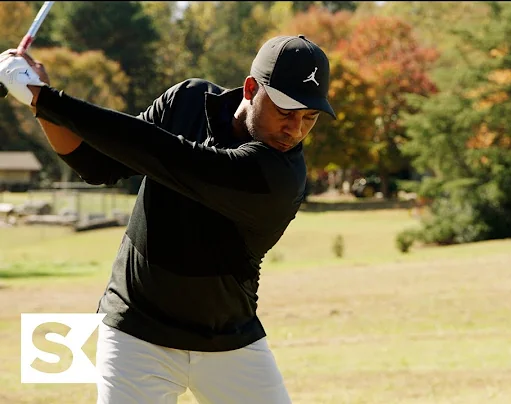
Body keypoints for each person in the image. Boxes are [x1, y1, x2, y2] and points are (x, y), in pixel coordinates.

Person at [0, 34, 336, 403]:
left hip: (228, 342)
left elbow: (166, 155)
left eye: (309, 117)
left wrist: (42, 97)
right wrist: (39, 105)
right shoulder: (188, 100)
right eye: (286, 112)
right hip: (135, 331)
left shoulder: (281, 174)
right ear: (251, 88)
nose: (296, 130)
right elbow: (96, 165)